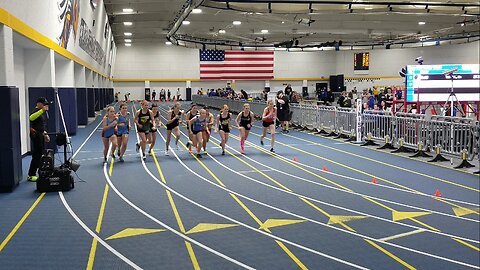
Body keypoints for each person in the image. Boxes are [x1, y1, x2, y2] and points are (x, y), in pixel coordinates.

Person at [27, 97, 51, 181]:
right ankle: (31, 174)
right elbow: (31, 118)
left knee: (40, 154)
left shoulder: (41, 114)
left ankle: (38, 171)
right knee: (36, 155)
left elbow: (41, 125)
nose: (44, 106)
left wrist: (45, 134)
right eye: (43, 104)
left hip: (40, 135)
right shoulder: (36, 111)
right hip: (35, 135)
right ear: (39, 103)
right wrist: (42, 110)